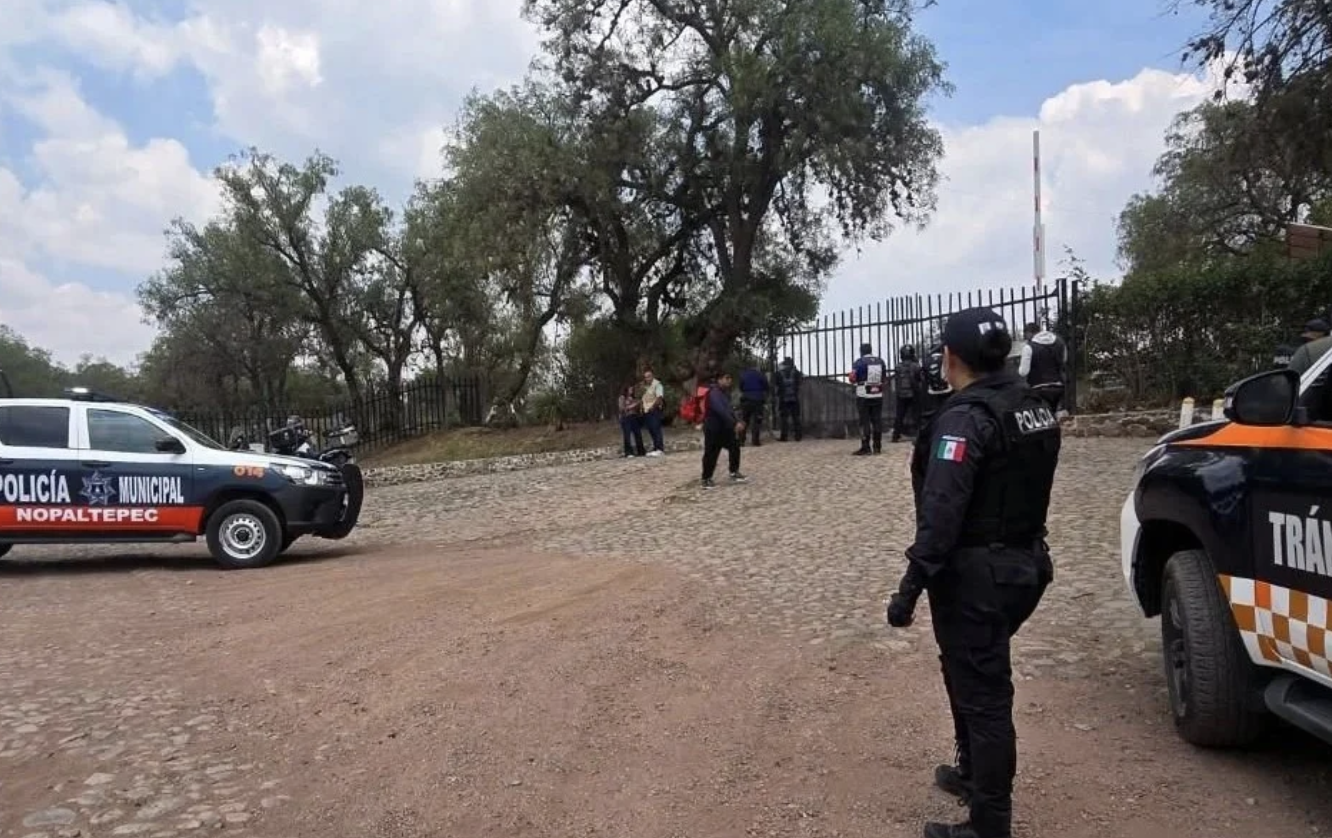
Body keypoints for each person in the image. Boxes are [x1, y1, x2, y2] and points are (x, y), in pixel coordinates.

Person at [885, 306, 1061, 838]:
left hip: (977, 576)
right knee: (963, 670)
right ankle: (971, 772)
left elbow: (942, 512)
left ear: (950, 357)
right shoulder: (1032, 406)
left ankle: (989, 823)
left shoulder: (965, 420)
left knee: (985, 697)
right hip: (1024, 564)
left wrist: (909, 589)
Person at [701, 371, 748, 489]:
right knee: (711, 453)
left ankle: (734, 472)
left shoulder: (725, 393)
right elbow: (721, 411)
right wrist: (734, 423)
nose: (729, 380)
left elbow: (730, 410)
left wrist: (738, 421)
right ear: (719, 380)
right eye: (726, 378)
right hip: (713, 428)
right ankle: (706, 478)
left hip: (725, 428)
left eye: (730, 378)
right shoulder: (714, 393)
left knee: (735, 446)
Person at [1018, 322, 1067, 413]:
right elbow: (1064, 360)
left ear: (1029, 333)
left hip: (1038, 390)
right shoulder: (1060, 342)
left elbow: (1023, 372)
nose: (1025, 338)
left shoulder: (1029, 347)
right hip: (1059, 387)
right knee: (1057, 416)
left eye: (1025, 335)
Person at [849, 342, 887, 455]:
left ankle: (865, 446)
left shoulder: (859, 362)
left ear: (861, 351)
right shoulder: (880, 361)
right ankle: (877, 446)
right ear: (871, 350)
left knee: (864, 421)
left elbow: (853, 378)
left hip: (863, 394)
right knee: (877, 420)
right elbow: (884, 378)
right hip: (878, 393)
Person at [892, 345, 923, 442]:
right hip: (914, 393)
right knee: (917, 414)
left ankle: (896, 435)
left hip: (901, 394)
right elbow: (920, 379)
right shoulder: (916, 366)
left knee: (900, 415)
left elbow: (896, 380)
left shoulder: (898, 366)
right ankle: (919, 435)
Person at [918, 344, 953, 428]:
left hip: (932, 390)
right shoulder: (945, 358)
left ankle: (936, 426)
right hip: (947, 389)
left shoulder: (926, 360)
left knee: (935, 410)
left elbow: (922, 375)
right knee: (947, 408)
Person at [738, 364, 769, 447]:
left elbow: (741, 387)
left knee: (744, 420)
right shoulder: (761, 375)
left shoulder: (743, 375)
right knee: (757, 421)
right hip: (758, 400)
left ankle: (741, 441)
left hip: (746, 399)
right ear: (756, 368)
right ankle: (755, 441)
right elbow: (766, 386)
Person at [774, 356, 803, 441]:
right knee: (796, 418)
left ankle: (784, 437)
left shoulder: (779, 373)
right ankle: (798, 436)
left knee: (784, 418)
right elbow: (799, 383)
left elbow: (775, 384)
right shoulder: (796, 372)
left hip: (783, 398)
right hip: (794, 398)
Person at [640, 368, 666, 456]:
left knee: (656, 428)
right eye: (646, 377)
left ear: (652, 376)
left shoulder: (657, 385)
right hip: (646, 410)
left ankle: (660, 448)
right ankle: (655, 447)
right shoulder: (645, 387)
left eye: (649, 376)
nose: (647, 378)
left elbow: (659, 397)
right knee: (651, 429)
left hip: (654, 409)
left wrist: (653, 407)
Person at [617, 383, 646, 457]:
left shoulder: (634, 398)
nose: (631, 390)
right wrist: (633, 405)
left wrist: (639, 406)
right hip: (626, 418)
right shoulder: (622, 398)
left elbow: (638, 409)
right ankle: (628, 452)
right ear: (626, 389)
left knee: (638, 434)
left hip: (634, 417)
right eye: (630, 389)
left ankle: (641, 451)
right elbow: (622, 409)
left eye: (632, 389)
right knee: (627, 435)